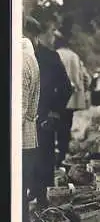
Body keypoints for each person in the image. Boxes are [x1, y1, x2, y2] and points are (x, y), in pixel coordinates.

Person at [25, 15, 72, 207]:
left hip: (44, 118)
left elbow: (66, 88)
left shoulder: (50, 57)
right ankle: (26, 193)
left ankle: (43, 201)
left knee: (44, 158)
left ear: (36, 36)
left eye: (29, 36)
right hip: (21, 120)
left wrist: (55, 112)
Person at [21, 37, 40, 222]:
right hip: (27, 141)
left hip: (19, 143)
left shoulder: (21, 60)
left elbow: (20, 110)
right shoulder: (29, 57)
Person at [54, 34, 88, 166]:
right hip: (72, 97)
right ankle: (63, 152)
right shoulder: (74, 56)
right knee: (67, 124)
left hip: (58, 95)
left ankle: (58, 155)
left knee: (57, 124)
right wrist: (83, 90)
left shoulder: (56, 54)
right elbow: (85, 77)